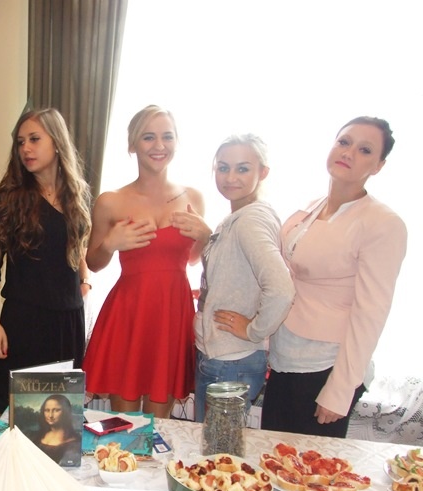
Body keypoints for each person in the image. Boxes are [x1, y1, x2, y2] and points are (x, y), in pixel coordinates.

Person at [261, 117, 407, 438]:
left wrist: (340, 389)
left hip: (325, 365)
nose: (348, 153)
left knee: (310, 466)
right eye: (344, 142)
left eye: (365, 150)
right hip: (286, 357)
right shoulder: (312, 208)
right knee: (270, 456)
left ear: (378, 166)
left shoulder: (382, 223)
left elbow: (371, 312)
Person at [82, 105, 206, 418]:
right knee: (124, 425)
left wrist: (206, 237)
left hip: (172, 313)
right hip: (129, 313)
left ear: (177, 142)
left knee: (158, 425)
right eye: (148, 137)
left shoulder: (193, 197)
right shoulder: (110, 201)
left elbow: (192, 259)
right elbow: (93, 263)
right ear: (132, 144)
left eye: (167, 137)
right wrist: (110, 244)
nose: (159, 145)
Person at [0, 108, 92, 414]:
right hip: (26, 324)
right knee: (29, 420)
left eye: (34, 139)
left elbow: (77, 245)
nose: (25, 148)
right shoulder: (10, 200)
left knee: (62, 424)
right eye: (20, 142)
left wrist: (85, 280)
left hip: (69, 324)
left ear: (57, 142)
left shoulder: (76, 195)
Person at [185, 134, 294, 423]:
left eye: (242, 169)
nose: (230, 177)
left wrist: (254, 330)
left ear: (263, 172)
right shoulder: (241, 215)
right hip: (226, 358)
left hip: (230, 361)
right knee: (215, 443)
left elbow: (281, 289)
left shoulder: (249, 221)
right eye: (223, 168)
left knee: (215, 446)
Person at [35, 394, 80, 465]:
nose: (50, 415)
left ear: (66, 412)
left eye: (56, 410)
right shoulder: (37, 435)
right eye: (47, 410)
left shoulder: (74, 443)